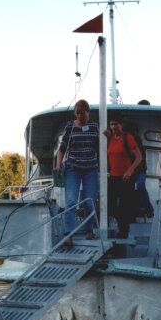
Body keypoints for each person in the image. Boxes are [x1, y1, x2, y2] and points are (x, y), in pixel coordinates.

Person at [56, 100, 99, 247]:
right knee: (71, 200)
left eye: (83, 113)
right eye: (78, 113)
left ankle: (89, 230)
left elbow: (101, 148)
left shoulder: (94, 127)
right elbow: (62, 149)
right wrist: (58, 165)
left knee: (89, 201)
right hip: (73, 168)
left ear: (88, 112)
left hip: (91, 168)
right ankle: (68, 233)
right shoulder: (70, 126)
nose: (80, 116)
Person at [104, 112, 142, 239]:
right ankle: (123, 227)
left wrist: (130, 171)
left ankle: (123, 232)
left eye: (116, 124)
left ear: (121, 124)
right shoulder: (110, 139)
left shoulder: (128, 137)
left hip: (126, 177)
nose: (113, 127)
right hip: (114, 176)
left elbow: (139, 157)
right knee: (111, 206)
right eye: (111, 124)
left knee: (124, 206)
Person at [123, 120, 154, 219]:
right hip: (129, 171)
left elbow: (140, 157)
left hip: (140, 171)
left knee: (140, 185)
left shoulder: (137, 140)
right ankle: (130, 214)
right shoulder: (124, 141)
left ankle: (149, 210)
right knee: (128, 190)